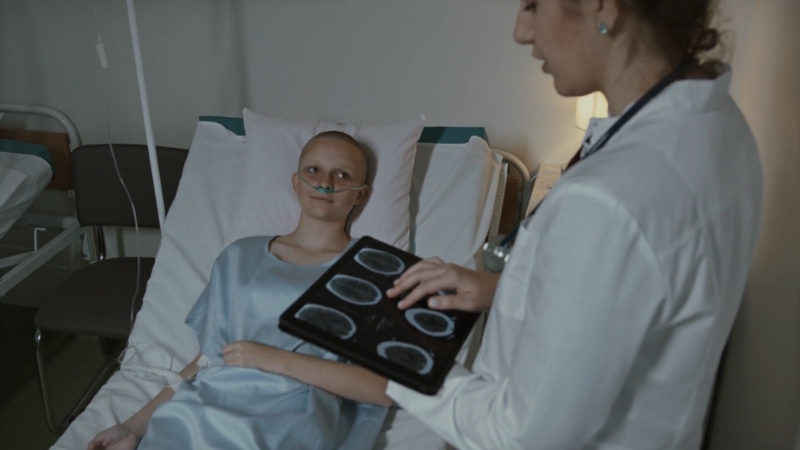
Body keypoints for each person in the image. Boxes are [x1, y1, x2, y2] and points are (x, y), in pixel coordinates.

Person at [381, 1, 764, 449]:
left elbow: (521, 436)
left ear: (602, 7)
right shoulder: (719, 123)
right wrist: (502, 288)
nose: (521, 32)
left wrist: (389, 357)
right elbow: (640, 288)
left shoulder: (604, 198)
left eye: (532, 5)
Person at [87, 131, 393, 450]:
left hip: (289, 416)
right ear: (296, 181)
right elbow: (207, 358)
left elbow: (382, 388)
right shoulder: (239, 256)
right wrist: (131, 427)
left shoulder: (370, 271)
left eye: (342, 175)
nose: (325, 183)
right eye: (314, 170)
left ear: (361, 194)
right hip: (200, 409)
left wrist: (273, 359)